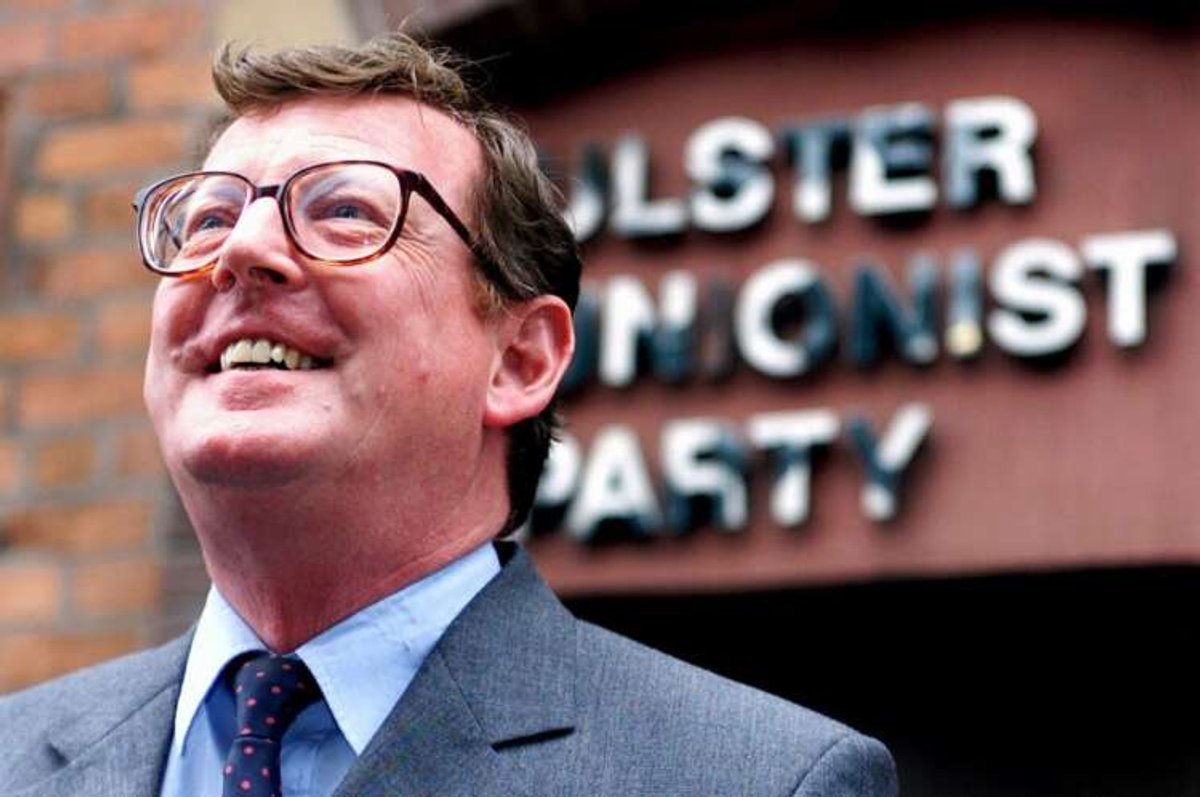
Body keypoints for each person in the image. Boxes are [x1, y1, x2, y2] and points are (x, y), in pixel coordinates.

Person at [0, 32, 897, 797]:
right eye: (206, 219)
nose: (241, 249)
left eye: (345, 210)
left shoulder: (757, 778)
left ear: (520, 360)